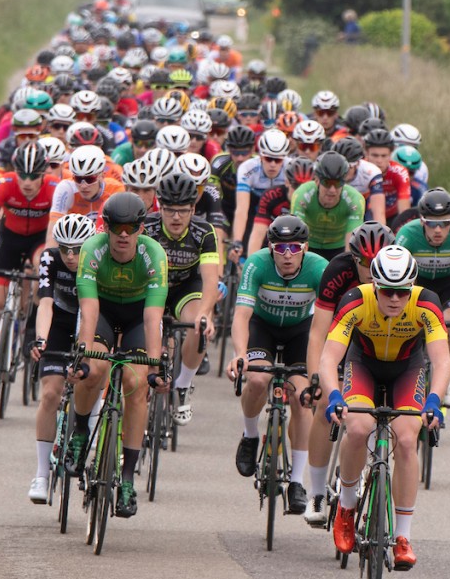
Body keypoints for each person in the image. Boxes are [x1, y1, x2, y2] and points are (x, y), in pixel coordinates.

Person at [319, 245, 450, 570]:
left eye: (402, 291)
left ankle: (402, 537)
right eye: (388, 291)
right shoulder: (355, 301)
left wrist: (434, 401)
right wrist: (334, 396)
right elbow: (329, 357)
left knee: (406, 439)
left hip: (407, 369)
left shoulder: (427, 304)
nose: (395, 299)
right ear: (375, 286)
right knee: (359, 428)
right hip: (363, 365)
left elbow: (442, 361)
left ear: (412, 287)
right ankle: (347, 508)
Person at [63, 193, 169, 519]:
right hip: (104, 313)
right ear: (106, 227)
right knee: (94, 371)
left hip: (138, 316)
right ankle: (80, 432)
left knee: (137, 386)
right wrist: (82, 356)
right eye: (117, 227)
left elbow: (153, 316)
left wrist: (155, 365)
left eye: (132, 227)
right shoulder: (91, 250)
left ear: (141, 229)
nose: (124, 234)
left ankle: (126, 479)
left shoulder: (154, 254)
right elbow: (89, 308)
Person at [226, 215, 328, 514]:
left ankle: (297, 481)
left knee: (302, 396)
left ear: (305, 248)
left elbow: (325, 324)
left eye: (294, 248)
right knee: (258, 381)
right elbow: (242, 316)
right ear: (270, 248)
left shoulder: (318, 268)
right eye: (280, 248)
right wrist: (241, 354)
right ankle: (250, 435)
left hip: (301, 332)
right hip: (264, 328)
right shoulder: (257, 264)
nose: (287, 255)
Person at [299, 221, 395, 525]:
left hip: (381, 345)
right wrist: (316, 378)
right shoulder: (338, 272)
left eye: (375, 262)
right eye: (363, 262)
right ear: (353, 258)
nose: (368, 269)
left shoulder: (398, 272)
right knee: (325, 404)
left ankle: (367, 468)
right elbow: (318, 333)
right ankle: (315, 492)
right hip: (342, 340)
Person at [0, 144, 58, 403]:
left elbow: (57, 229)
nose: (28, 182)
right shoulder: (5, 183)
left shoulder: (53, 188)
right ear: (15, 171)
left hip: (38, 242)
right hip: (9, 242)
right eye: (23, 175)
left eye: (34, 176)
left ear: (43, 173)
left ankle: (31, 325)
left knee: (42, 263)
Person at [27, 214, 96, 502]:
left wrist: (84, 352)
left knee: (92, 387)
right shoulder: (50, 258)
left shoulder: (97, 261)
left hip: (89, 322)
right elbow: (45, 303)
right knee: (50, 394)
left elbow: (93, 312)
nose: (70, 256)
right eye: (65, 248)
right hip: (57, 323)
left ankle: (90, 451)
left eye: (77, 249)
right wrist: (41, 338)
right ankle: (41, 474)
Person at [394, 188, 450, 407]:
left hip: (449, 283)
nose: (438, 230)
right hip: (417, 282)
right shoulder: (407, 233)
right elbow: (395, 273)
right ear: (422, 221)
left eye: (444, 223)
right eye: (432, 223)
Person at [143, 173, 220, 424]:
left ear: (193, 209)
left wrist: (205, 313)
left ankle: (182, 385)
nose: (176, 217)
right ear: (160, 207)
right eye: (170, 210)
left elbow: (210, 280)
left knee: (199, 326)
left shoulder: (204, 231)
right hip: (151, 285)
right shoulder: (147, 227)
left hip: (185, 288)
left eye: (183, 211)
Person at [290, 151, 365, 261]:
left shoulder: (355, 200)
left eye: (338, 183)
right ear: (317, 180)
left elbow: (351, 246)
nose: (332, 190)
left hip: (338, 248)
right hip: (309, 246)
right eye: (327, 183)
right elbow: (296, 238)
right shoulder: (302, 195)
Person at [229, 129, 291, 260]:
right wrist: (237, 241)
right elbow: (241, 209)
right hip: (255, 213)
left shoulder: (291, 167)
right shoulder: (247, 168)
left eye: (278, 160)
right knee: (244, 253)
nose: (273, 164)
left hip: (281, 213)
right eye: (268, 159)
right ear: (261, 156)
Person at [46, 145, 123, 246]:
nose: (83, 186)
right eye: (78, 179)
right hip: (72, 247)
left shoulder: (116, 190)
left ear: (102, 175)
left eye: (90, 179)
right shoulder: (66, 188)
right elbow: (52, 234)